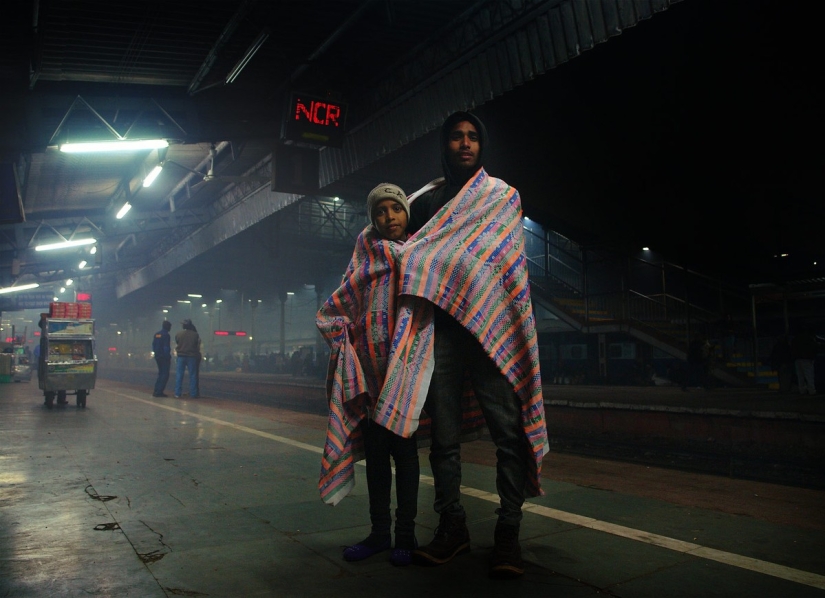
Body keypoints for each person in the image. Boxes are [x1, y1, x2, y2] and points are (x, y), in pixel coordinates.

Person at [375, 111, 548, 579]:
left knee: (507, 433)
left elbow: (506, 266)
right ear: (444, 145)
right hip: (442, 334)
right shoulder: (426, 202)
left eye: (473, 137)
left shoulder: (501, 197)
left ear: (481, 145)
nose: (465, 144)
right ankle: (453, 526)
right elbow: (399, 247)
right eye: (456, 137)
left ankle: (507, 532)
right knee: (444, 438)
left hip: (491, 334)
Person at [317, 183, 421, 567]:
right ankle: (380, 534)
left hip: (404, 377)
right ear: (372, 219)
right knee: (377, 458)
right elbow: (336, 308)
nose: (389, 216)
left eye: (396, 208)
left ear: (407, 213)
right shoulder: (362, 262)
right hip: (368, 378)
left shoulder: (419, 255)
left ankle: (405, 537)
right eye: (381, 211)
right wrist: (344, 341)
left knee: (406, 457)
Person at [174, 319, 201, 398]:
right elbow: (197, 345)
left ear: (184, 325)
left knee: (179, 375)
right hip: (191, 357)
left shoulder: (178, 334)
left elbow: (177, 342)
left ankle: (177, 393)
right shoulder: (195, 335)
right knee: (192, 375)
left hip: (181, 356)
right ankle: (193, 394)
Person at [791, 329, 820, 396]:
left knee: (800, 376)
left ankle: (802, 390)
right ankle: (811, 390)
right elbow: (815, 347)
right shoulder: (809, 338)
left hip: (797, 359)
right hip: (807, 358)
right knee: (809, 375)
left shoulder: (796, 339)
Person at [151, 320, 172, 397]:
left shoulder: (157, 334)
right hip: (164, 357)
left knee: (160, 373)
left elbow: (153, 345)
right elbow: (166, 347)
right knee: (165, 374)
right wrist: (168, 357)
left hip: (158, 356)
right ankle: (159, 391)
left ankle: (156, 390)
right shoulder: (166, 335)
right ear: (168, 327)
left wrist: (156, 353)